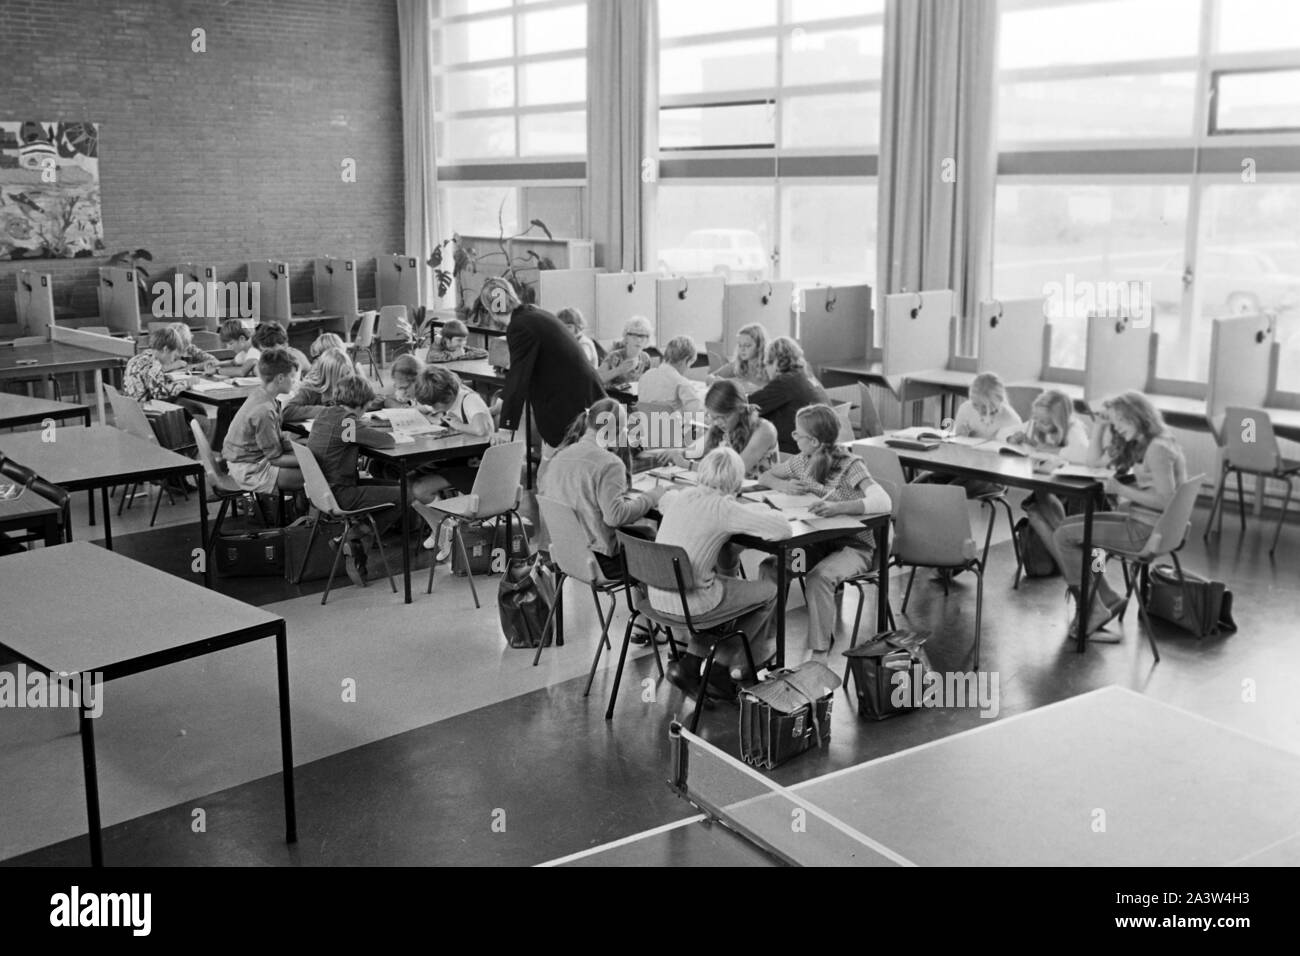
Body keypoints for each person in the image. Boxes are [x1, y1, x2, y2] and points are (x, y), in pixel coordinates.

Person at [756, 405, 891, 662]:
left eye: (798, 435)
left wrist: (839, 507)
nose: (793, 438)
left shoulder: (850, 465)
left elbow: (884, 502)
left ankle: (819, 654)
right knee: (773, 567)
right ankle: (768, 640)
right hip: (816, 545)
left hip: (854, 548)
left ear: (814, 441)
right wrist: (782, 484)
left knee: (819, 578)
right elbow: (765, 475)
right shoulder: (801, 461)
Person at [653, 447, 792, 695]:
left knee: (724, 583)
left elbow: (664, 502)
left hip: (658, 595)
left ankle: (691, 663)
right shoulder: (724, 508)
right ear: (736, 480)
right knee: (769, 591)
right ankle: (725, 666)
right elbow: (783, 529)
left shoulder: (683, 495)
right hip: (694, 602)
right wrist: (759, 510)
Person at [1051, 391, 1187, 635]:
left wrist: (1122, 489)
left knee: (1064, 536)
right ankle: (1107, 597)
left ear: (1138, 416)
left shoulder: (1157, 448)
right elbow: (1093, 462)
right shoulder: (1148, 440)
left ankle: (1092, 608)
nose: (1118, 427)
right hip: (1145, 522)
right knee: (1070, 527)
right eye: (1114, 422)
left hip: (1146, 530)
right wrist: (1101, 427)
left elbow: (1167, 501)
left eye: (1121, 421)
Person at [540, 398, 667, 643]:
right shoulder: (609, 463)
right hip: (599, 560)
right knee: (654, 548)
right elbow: (615, 516)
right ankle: (658, 623)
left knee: (641, 539)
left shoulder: (559, 456)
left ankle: (644, 623)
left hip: (567, 555)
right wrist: (652, 497)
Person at [492, 277, 607, 477]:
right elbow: (523, 373)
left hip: (569, 409)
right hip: (584, 400)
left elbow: (518, 376)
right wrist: (502, 403)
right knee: (552, 474)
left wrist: (505, 427)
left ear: (489, 309)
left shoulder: (519, 326)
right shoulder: (535, 313)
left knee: (554, 476)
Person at [305, 374, 401, 588]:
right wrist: (365, 427)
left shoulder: (326, 414)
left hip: (321, 493)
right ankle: (354, 535)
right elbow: (387, 442)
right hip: (342, 494)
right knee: (405, 493)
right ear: (364, 403)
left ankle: (355, 544)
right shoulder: (348, 423)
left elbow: (349, 435)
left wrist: (361, 426)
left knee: (392, 489)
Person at [411, 366, 496, 555]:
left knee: (419, 489)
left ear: (447, 397)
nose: (433, 409)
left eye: (435, 405)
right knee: (408, 484)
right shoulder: (454, 400)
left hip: (478, 468)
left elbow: (481, 429)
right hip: (460, 460)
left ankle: (447, 529)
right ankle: (440, 528)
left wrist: (457, 425)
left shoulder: (469, 399)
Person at [1010, 390, 1092, 574]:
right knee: (1036, 510)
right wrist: (1014, 438)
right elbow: (1008, 432)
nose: (1038, 424)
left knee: (1038, 509)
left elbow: (1082, 454)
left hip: (1079, 497)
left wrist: (1051, 450)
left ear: (1060, 420)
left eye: (1044, 422)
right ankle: (1071, 566)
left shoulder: (1074, 429)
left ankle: (1076, 567)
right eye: (1036, 419)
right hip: (1050, 489)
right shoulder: (1039, 424)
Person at [919, 372, 1023, 500]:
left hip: (992, 476)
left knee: (950, 493)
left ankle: (939, 515)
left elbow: (1015, 461)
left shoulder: (1011, 419)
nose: (979, 411)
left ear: (999, 401)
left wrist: (1013, 443)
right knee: (924, 481)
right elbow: (954, 448)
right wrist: (960, 436)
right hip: (963, 467)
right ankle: (908, 513)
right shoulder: (966, 408)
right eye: (975, 405)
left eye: (985, 407)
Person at [221, 347, 305, 495]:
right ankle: (302, 513)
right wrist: (311, 458)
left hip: (249, 461)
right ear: (280, 378)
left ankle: (299, 511)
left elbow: (273, 440)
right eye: (292, 377)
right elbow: (275, 459)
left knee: (310, 461)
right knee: (317, 473)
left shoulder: (261, 394)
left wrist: (300, 445)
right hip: (249, 470)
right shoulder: (264, 410)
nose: (294, 381)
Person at [657, 379, 778, 479]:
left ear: (740, 409)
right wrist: (676, 453)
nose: (719, 422)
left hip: (758, 500)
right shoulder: (719, 426)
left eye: (724, 417)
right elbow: (693, 451)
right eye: (714, 417)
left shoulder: (764, 430)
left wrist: (687, 465)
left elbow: (734, 472)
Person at [749, 337, 831, 453]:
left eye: (766, 364)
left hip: (798, 451)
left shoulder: (785, 382)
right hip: (820, 446)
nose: (765, 369)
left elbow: (747, 404)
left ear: (776, 363)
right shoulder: (806, 375)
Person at [123, 326, 192, 403]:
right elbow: (161, 394)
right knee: (192, 406)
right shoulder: (153, 365)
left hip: (131, 409)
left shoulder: (136, 359)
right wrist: (187, 383)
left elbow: (152, 382)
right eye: (174, 355)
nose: (173, 360)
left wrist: (164, 379)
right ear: (165, 349)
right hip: (146, 410)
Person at [636, 335, 703, 414]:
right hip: (672, 425)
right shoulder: (681, 383)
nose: (689, 368)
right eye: (690, 363)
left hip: (646, 425)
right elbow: (697, 415)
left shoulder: (645, 376)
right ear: (685, 359)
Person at [282, 348, 352, 423]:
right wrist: (325, 411)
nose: (346, 379)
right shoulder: (310, 390)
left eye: (348, 373)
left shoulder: (347, 388)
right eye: (341, 376)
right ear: (328, 375)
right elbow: (287, 412)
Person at [711, 323, 771, 394]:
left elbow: (775, 390)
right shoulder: (737, 364)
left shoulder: (769, 367)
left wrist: (752, 388)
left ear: (759, 346)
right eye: (740, 345)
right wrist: (724, 382)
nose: (742, 349)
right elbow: (709, 377)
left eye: (747, 345)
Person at [599, 315, 654, 387]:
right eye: (634, 335)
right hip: (614, 396)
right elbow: (597, 379)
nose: (638, 340)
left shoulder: (645, 358)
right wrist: (619, 370)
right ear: (626, 337)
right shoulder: (614, 357)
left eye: (643, 336)